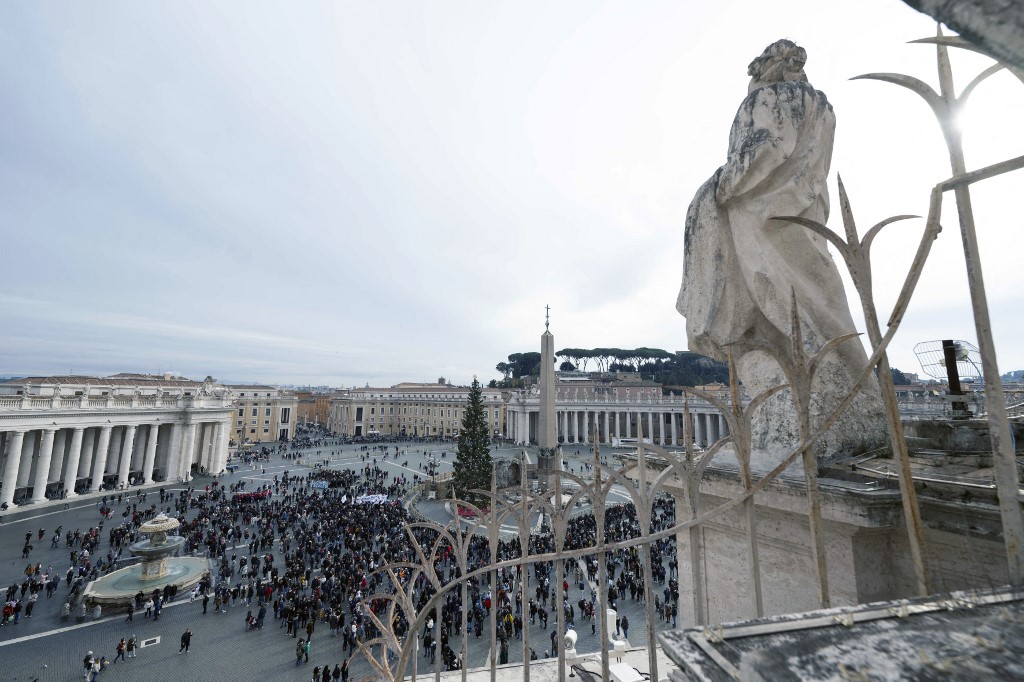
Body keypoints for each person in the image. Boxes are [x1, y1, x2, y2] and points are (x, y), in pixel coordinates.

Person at [676, 38, 883, 459]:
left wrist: (720, 186)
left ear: (763, 70)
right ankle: (855, 390)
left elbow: (764, 150)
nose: (751, 82)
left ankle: (807, 399)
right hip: (807, 210)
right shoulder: (823, 109)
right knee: (822, 301)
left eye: (754, 73)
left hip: (760, 213)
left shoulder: (767, 98)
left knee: (773, 304)